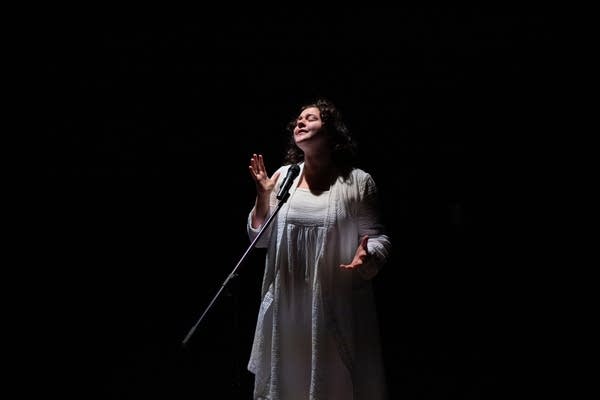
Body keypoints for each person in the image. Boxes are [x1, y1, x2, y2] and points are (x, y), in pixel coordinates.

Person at [246, 98, 391, 400]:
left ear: (330, 132)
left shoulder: (357, 182)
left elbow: (378, 238)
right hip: (287, 308)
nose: (300, 122)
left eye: (310, 118)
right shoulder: (284, 176)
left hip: (330, 307)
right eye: (298, 119)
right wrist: (263, 196)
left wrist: (369, 255)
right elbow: (260, 239)